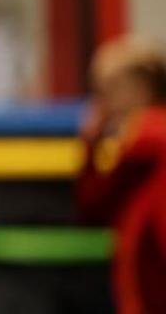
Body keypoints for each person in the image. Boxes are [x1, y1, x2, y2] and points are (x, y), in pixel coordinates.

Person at [77, 36, 166, 314]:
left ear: (142, 87)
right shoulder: (135, 137)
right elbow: (94, 208)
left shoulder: (147, 133)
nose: (102, 99)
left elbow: (93, 202)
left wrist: (90, 145)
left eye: (111, 87)